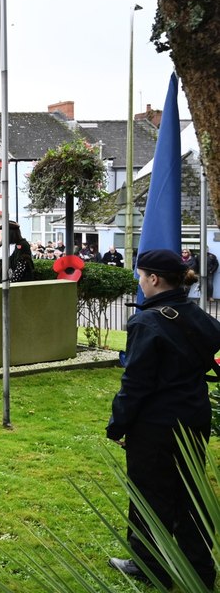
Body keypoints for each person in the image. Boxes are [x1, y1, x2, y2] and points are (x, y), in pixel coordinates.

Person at [106, 249, 218, 589]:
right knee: (191, 494)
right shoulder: (199, 316)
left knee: (149, 495)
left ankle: (148, 563)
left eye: (141, 276)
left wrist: (118, 424)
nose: (140, 282)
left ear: (154, 279)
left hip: (156, 425)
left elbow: (136, 383)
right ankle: (199, 568)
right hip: (194, 417)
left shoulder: (146, 321)